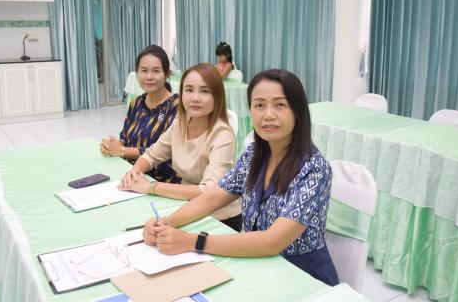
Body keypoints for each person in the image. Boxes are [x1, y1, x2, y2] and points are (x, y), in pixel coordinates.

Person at [141, 69, 339, 286]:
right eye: (259, 105)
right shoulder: (254, 155)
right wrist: (166, 222)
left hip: (303, 278)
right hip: (258, 266)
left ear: (298, 111)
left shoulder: (314, 169)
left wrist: (194, 242)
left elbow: (272, 242)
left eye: (280, 105)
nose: (268, 114)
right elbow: (212, 198)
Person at [119, 63, 242, 231]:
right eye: (189, 90)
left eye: (204, 91)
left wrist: (151, 187)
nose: (195, 98)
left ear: (217, 95)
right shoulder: (180, 122)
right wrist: (135, 171)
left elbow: (208, 191)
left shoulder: (222, 135)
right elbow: (152, 155)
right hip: (185, 206)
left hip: (218, 217)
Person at [100, 45, 180, 183]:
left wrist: (121, 150)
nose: (149, 77)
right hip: (131, 173)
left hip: (160, 180)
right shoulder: (136, 103)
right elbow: (124, 137)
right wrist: (112, 145)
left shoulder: (176, 106)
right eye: (144, 71)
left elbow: (163, 151)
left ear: (167, 73)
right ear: (137, 73)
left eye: (156, 71)